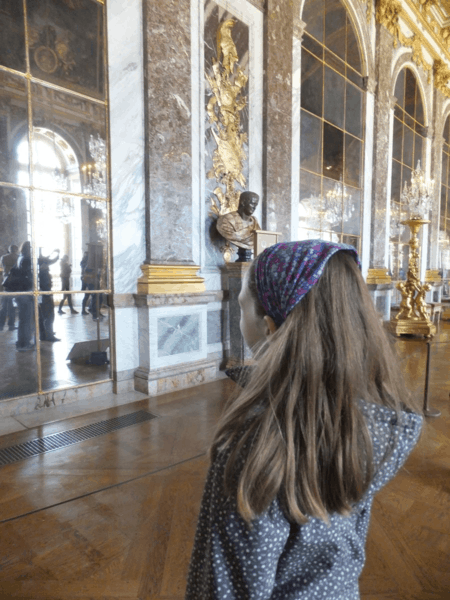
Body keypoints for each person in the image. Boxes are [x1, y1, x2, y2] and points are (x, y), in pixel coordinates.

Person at [185, 240, 423, 599]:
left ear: (268, 327)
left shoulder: (256, 443)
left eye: (241, 308)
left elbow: (226, 588)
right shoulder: (375, 419)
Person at [14, 241, 34, 352]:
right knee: (27, 320)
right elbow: (28, 277)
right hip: (26, 291)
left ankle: (20, 343)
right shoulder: (26, 259)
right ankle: (25, 343)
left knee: (22, 320)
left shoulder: (19, 258)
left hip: (19, 292)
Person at [38, 249, 60, 342]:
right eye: (46, 264)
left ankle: (43, 335)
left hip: (41, 295)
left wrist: (57, 254)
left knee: (42, 316)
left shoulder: (39, 272)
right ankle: (49, 335)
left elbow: (53, 260)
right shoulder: (44, 274)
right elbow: (46, 286)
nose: (48, 265)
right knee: (49, 316)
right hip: (45, 295)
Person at [0, 244, 18, 331]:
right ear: (16, 250)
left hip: (5, 283)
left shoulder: (3, 257)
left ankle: (1, 325)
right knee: (12, 306)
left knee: (3, 305)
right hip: (14, 284)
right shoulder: (18, 257)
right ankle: (11, 325)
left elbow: (2, 266)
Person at [80, 250, 90, 315]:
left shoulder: (82, 262)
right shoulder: (86, 262)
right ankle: (83, 310)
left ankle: (84, 310)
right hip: (87, 280)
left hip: (85, 279)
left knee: (87, 296)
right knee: (87, 296)